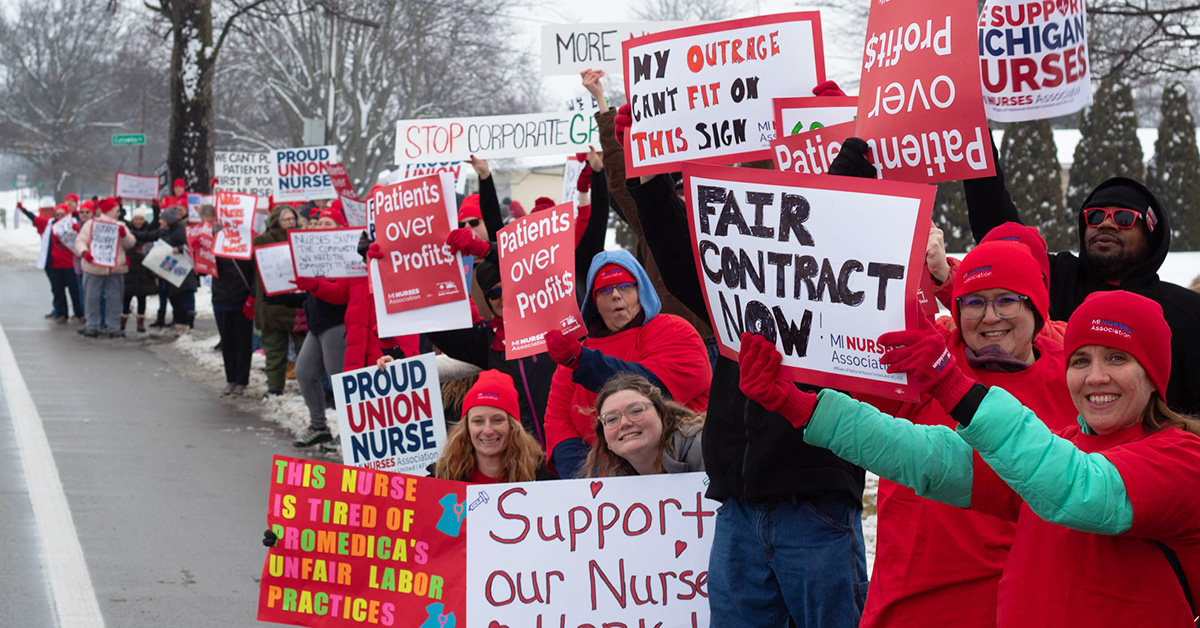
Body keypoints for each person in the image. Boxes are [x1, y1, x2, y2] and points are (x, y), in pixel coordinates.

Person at [738, 289, 1200, 627]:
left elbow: (1084, 491)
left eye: (1117, 359)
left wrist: (954, 386)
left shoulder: (1182, 458)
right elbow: (934, 459)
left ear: (1154, 373)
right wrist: (799, 406)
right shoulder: (1063, 445)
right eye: (1081, 361)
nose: (1096, 377)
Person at [623, 81, 871, 627]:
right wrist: (647, 182)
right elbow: (685, 262)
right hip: (737, 503)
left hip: (815, 501)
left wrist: (849, 157)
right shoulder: (733, 281)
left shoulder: (839, 278)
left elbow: (840, 232)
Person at [857, 240, 1077, 628]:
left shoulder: (1072, 381)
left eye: (1007, 300)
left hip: (1025, 601)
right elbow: (854, 382)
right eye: (973, 302)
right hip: (919, 600)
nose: (990, 317)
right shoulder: (925, 357)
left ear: (1036, 307)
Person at [963, 154, 1200, 413]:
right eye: (1095, 216)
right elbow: (997, 229)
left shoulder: (1188, 312)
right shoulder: (1053, 279)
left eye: (1123, 218)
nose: (1106, 223)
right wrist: (978, 140)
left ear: (1151, 234)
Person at [583, 68, 718, 361]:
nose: (683, 196)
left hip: (732, 340)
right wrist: (602, 105)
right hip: (679, 341)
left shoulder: (727, 221)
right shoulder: (653, 224)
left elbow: (764, 174)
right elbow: (620, 180)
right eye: (677, 188)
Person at [540, 249, 712, 480]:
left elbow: (651, 389)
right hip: (607, 484)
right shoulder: (573, 356)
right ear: (594, 302)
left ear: (641, 291)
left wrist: (583, 361)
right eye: (604, 290)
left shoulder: (674, 330)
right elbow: (558, 424)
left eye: (625, 286)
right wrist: (588, 482)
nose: (616, 296)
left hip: (686, 469)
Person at [289, 208, 350, 447]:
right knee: (304, 372)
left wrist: (314, 284)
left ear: (339, 229)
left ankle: (348, 433)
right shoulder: (313, 252)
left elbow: (338, 292)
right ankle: (319, 426)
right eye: (320, 223)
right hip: (317, 324)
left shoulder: (344, 253)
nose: (322, 227)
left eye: (328, 223)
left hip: (336, 323)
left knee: (340, 382)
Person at [431, 370, 553, 483]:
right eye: (478, 421)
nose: (488, 431)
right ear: (467, 427)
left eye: (497, 420)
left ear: (513, 426)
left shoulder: (541, 475)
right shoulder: (442, 476)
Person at [581, 373, 704, 478]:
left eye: (636, 411)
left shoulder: (705, 448)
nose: (624, 423)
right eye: (612, 419)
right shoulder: (617, 483)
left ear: (662, 414)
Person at [253, 204, 304, 397]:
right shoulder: (262, 241)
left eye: (293, 219)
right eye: (286, 219)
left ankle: (310, 387)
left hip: (298, 305)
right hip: (273, 305)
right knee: (275, 350)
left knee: (305, 351)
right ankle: (275, 387)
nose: (291, 222)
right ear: (276, 221)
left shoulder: (302, 239)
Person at [74, 197, 136, 338]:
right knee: (91, 297)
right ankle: (92, 325)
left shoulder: (121, 226)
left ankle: (113, 327)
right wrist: (85, 252)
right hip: (94, 267)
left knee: (115, 298)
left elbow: (131, 243)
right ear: (108, 211)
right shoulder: (91, 224)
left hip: (115, 268)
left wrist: (124, 235)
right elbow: (79, 241)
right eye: (116, 211)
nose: (118, 213)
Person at [122, 206, 159, 333]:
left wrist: (156, 207)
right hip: (130, 269)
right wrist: (120, 205)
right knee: (126, 297)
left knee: (142, 298)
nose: (138, 221)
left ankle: (140, 323)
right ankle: (122, 321)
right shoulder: (128, 230)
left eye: (141, 219)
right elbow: (121, 218)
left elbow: (156, 221)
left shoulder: (150, 231)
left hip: (144, 270)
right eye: (136, 219)